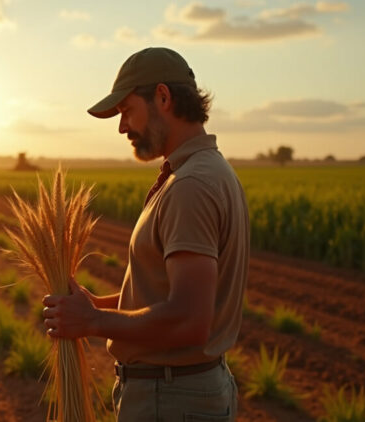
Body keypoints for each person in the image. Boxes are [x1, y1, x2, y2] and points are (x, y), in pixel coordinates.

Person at [42, 47, 249, 421]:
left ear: (163, 97)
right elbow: (168, 292)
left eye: (126, 111)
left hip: (170, 400)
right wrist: (98, 304)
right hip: (179, 393)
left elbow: (189, 318)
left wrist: (92, 322)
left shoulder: (191, 186)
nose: (122, 127)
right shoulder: (206, 172)